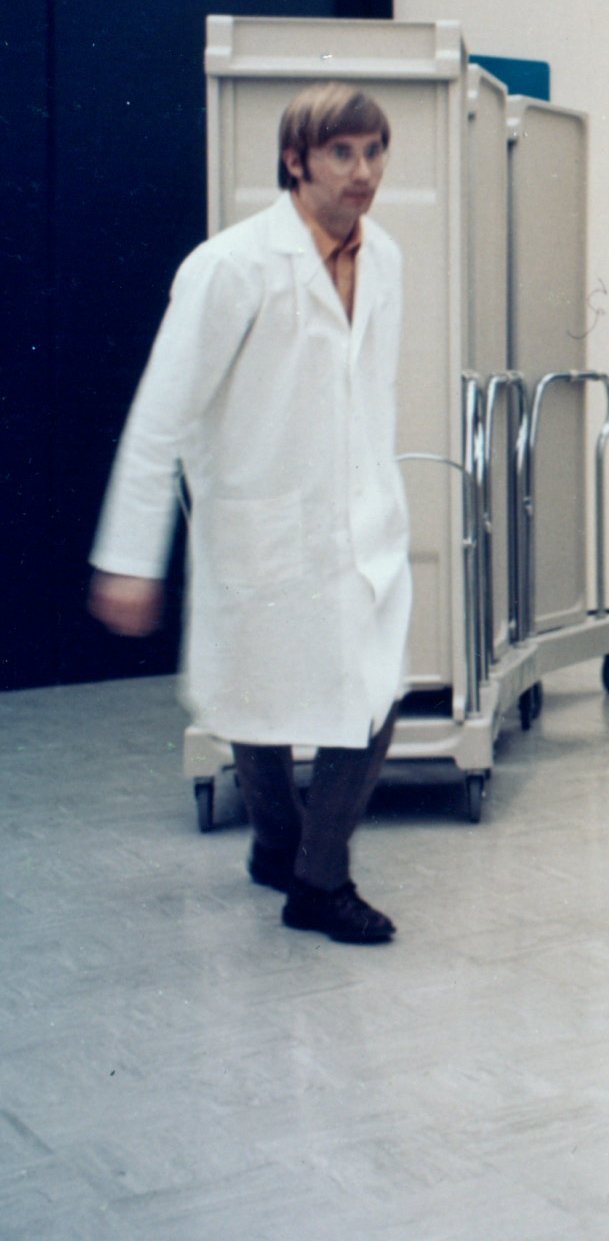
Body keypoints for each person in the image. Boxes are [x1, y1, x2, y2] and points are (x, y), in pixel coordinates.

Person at [88, 82, 411, 945]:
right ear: (294, 160)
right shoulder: (228, 267)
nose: (363, 172)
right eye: (342, 153)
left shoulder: (385, 261)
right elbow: (162, 418)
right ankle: (284, 851)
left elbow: (368, 393)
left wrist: (384, 497)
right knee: (257, 696)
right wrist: (129, 557)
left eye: (374, 152)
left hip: (360, 522)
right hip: (261, 520)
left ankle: (313, 871)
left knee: (377, 691)